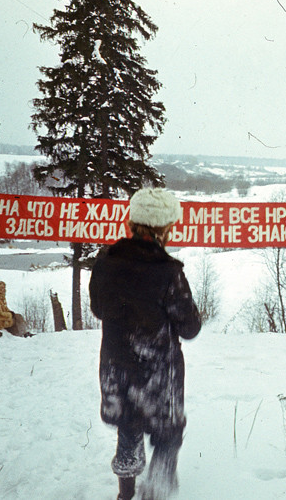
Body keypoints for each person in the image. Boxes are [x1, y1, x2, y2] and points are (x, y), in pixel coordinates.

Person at [89, 188, 202, 500]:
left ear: (131, 221)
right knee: (168, 435)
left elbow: (99, 309)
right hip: (158, 373)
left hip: (116, 368)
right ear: (165, 228)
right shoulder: (169, 272)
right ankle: (157, 494)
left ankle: (125, 495)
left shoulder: (103, 265)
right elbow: (189, 328)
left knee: (128, 429)